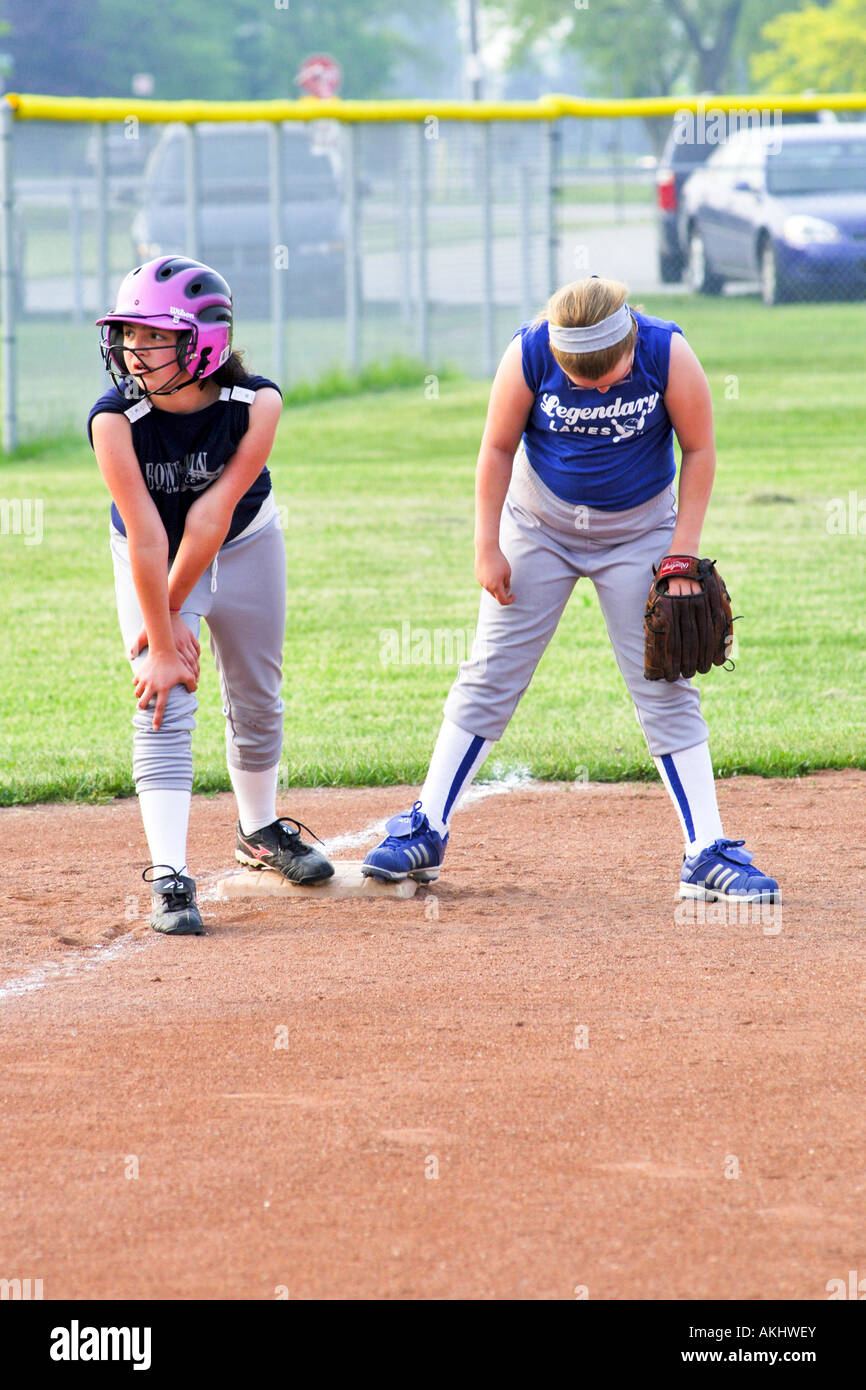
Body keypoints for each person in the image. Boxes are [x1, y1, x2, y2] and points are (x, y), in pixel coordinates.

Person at [362, 276, 779, 904]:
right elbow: (498, 447)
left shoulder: (667, 351)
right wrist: (486, 545)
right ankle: (426, 827)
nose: (603, 388)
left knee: (664, 682)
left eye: (612, 377)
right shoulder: (529, 353)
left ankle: (706, 851)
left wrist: (680, 555)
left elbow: (699, 450)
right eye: (585, 384)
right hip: (538, 524)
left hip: (639, 531)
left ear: (630, 341)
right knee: (491, 671)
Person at [89, 255, 333, 935]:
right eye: (129, 335)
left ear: (205, 339)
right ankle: (170, 876)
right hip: (151, 551)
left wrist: (167, 618)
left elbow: (212, 517)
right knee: (163, 695)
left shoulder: (256, 404)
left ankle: (258, 831)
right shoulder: (115, 421)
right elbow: (146, 539)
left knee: (258, 693)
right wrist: (161, 641)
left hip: (246, 539)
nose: (135, 350)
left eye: (155, 336)